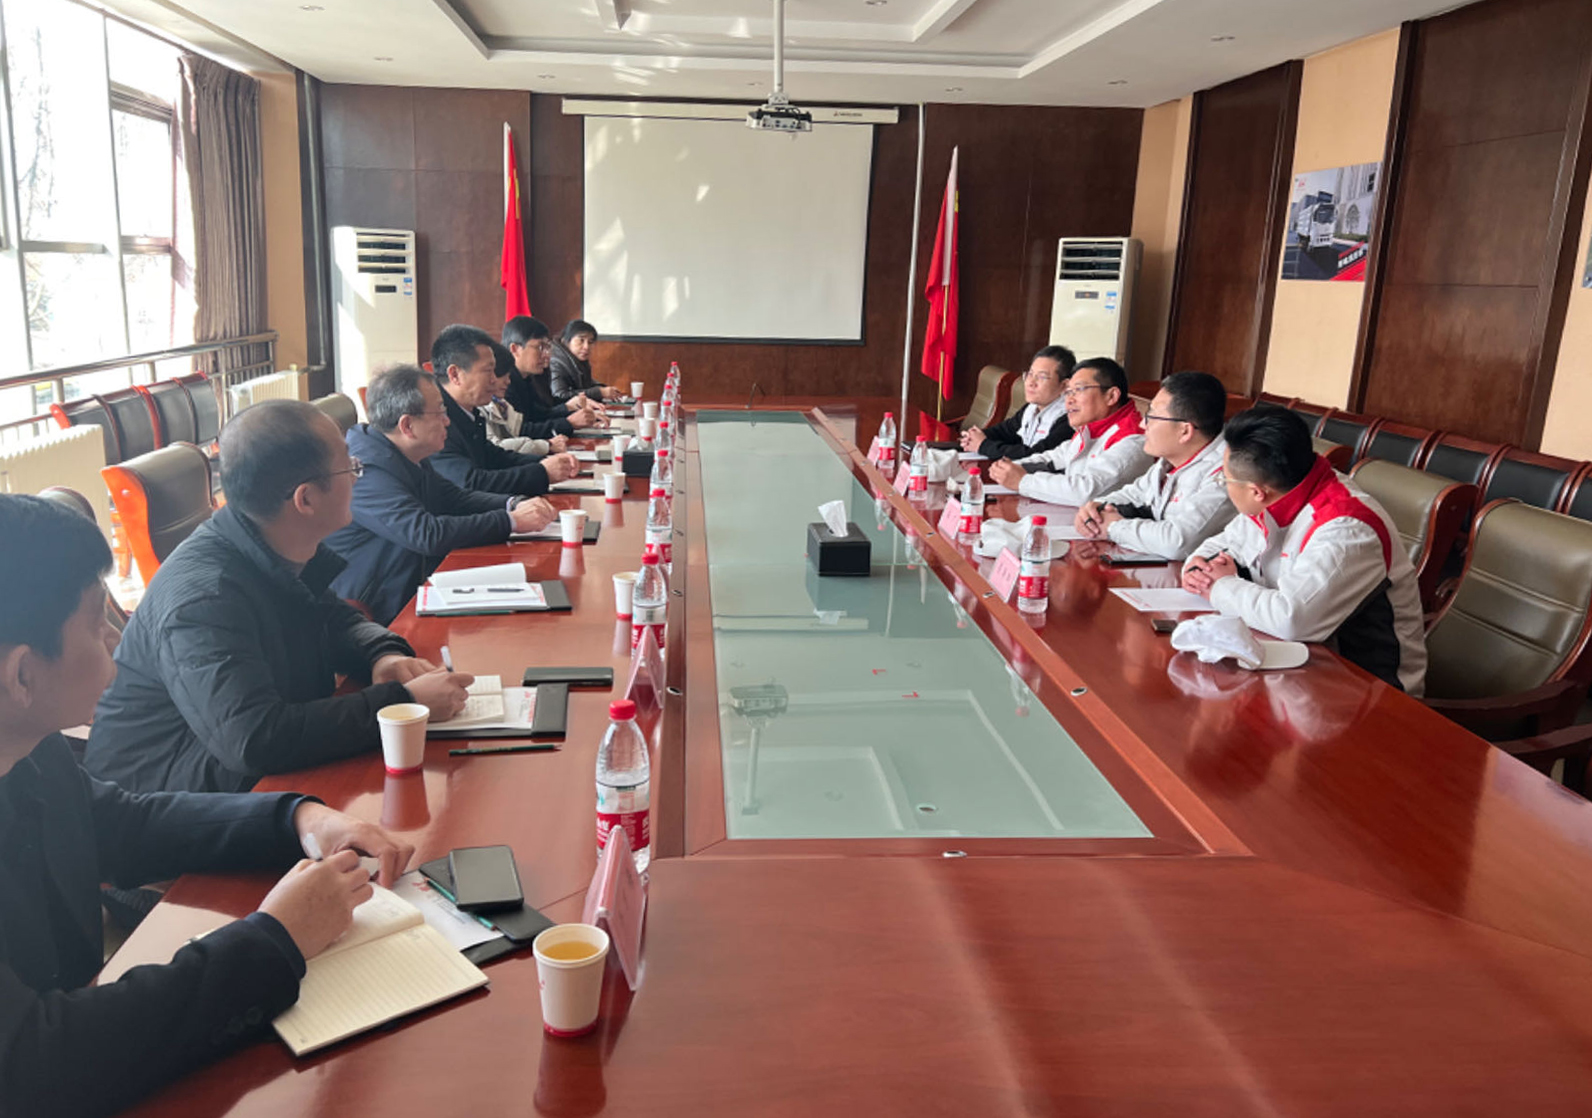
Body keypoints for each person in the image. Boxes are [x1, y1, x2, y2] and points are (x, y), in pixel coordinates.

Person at [0, 494, 416, 1118]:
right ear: (22, 676)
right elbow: (35, 1062)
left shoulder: (32, 748)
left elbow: (120, 822)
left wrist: (297, 818)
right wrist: (275, 939)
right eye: (94, 622)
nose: (115, 636)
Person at [83, 402, 474, 795]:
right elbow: (254, 739)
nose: (359, 477)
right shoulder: (204, 599)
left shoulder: (273, 544)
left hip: (248, 780)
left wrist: (382, 655)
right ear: (306, 499)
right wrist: (400, 703)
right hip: (170, 799)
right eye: (351, 468)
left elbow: (333, 617)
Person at [1182, 404, 1427, 694]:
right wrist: (1199, 567)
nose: (1223, 485)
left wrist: (1219, 585)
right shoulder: (1282, 489)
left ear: (1257, 491)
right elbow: (1224, 543)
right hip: (1297, 671)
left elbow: (1292, 619)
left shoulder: (1347, 528)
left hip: (1368, 691)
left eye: (1224, 479)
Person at [328, 364, 557, 625]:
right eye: (440, 412)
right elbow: (426, 534)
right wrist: (511, 521)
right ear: (407, 425)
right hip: (378, 611)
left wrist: (512, 503)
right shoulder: (365, 470)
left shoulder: (402, 451)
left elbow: (453, 498)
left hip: (417, 585)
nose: (448, 421)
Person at [1074, 370, 1234, 560]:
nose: (1143, 424)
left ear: (1185, 431)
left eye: (1152, 416)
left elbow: (1177, 543)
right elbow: (1134, 494)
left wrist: (1113, 527)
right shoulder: (1170, 461)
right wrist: (1096, 509)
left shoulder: (1228, 473)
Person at [430, 323, 579, 497]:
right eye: (488, 371)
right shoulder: (433, 418)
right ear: (455, 375)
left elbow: (493, 457)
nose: (495, 380)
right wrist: (541, 472)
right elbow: (470, 483)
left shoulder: (468, 411)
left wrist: (545, 462)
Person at [987, 357, 1150, 506]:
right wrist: (1010, 467)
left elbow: (1084, 491)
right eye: (1068, 392)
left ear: (1111, 396)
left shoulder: (1133, 440)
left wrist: (1022, 481)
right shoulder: (1093, 429)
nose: (1069, 400)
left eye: (1079, 390)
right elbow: (1053, 458)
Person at [960, 345, 1074, 461]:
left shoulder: (1069, 418)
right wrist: (974, 437)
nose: (1031, 382)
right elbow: (1006, 431)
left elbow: (1034, 456)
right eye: (1030, 374)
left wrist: (983, 445)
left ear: (1064, 385)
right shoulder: (1032, 407)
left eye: (1042, 377)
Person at [502, 316, 603, 438]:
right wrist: (569, 423)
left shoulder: (526, 378)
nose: (546, 355)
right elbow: (520, 431)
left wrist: (580, 415)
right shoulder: (503, 383)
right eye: (540, 347)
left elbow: (540, 415)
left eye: (547, 347)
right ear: (515, 349)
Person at [482, 341, 568, 457]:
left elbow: (519, 429)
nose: (508, 381)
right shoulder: (480, 407)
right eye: (502, 375)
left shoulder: (501, 403)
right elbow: (497, 447)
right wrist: (546, 445)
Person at [549, 319, 623, 403]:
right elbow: (560, 396)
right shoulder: (555, 362)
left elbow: (587, 384)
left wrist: (604, 389)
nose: (586, 347)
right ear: (565, 340)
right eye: (581, 340)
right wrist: (600, 392)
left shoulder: (577, 359)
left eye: (590, 342)